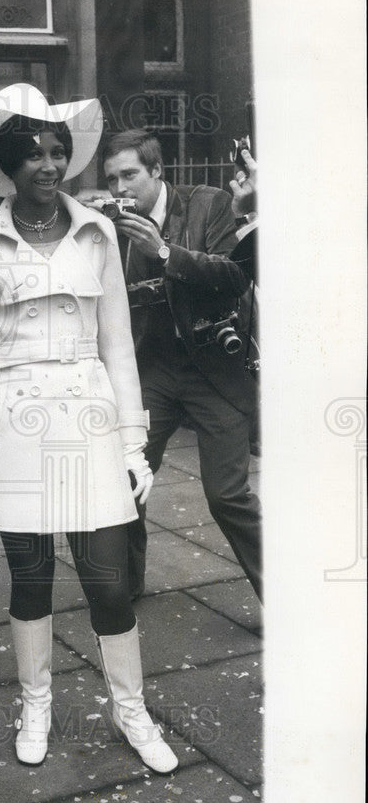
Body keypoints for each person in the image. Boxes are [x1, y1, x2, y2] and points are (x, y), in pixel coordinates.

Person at [0, 83, 179, 777]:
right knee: (30, 574)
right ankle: (35, 705)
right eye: (33, 153)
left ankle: (131, 712)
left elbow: (118, 344)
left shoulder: (97, 234)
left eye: (57, 151)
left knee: (106, 577)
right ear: (8, 165)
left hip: (89, 416)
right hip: (12, 419)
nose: (48, 164)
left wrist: (133, 439)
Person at [101, 130, 261, 600]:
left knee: (227, 496)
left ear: (156, 171)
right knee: (127, 478)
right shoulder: (112, 226)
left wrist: (165, 253)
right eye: (111, 179)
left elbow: (233, 278)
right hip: (154, 370)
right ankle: (124, 594)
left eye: (129, 174)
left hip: (216, 368)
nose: (119, 189)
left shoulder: (209, 204)